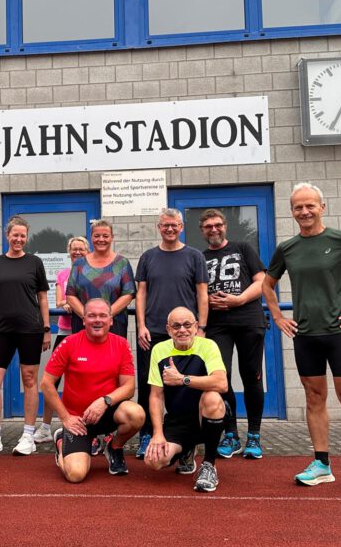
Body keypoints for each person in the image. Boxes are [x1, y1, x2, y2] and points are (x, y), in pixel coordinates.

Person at [262, 182, 341, 494]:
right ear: (292, 212)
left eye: (310, 206)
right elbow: (267, 285)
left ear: (322, 207)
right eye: (298, 207)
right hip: (305, 335)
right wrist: (278, 317)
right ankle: (322, 464)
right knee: (314, 398)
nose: (304, 212)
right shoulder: (287, 248)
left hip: (339, 332)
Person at [41, 299, 145, 483]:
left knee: (136, 414)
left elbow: (129, 387)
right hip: (78, 420)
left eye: (103, 316)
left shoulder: (121, 344)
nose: (98, 320)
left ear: (111, 320)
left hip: (107, 413)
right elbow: (46, 383)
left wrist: (104, 401)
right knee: (75, 475)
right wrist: (65, 418)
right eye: (92, 316)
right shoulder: (69, 343)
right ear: (83, 320)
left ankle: (114, 447)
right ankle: (61, 442)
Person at [134, 208, 209, 458]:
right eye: (165, 225)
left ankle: (187, 437)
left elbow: (202, 294)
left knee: (186, 385)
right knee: (149, 385)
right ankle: (147, 433)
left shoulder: (194, 256)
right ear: (159, 227)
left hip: (187, 334)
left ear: (181, 227)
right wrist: (141, 326)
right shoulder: (148, 257)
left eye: (174, 225)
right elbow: (141, 293)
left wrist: (201, 327)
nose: (169, 229)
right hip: (153, 332)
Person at [199, 209, 267, 460]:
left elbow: (262, 282)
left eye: (217, 225)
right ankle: (230, 433)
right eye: (208, 226)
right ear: (202, 231)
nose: (213, 229)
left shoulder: (243, 248)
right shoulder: (199, 257)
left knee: (251, 377)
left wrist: (238, 300)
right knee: (221, 377)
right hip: (217, 325)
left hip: (249, 320)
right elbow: (195, 291)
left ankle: (254, 435)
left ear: (225, 226)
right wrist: (206, 300)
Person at [0, 216, 51, 457]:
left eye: (23, 236)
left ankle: (28, 435)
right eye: (15, 235)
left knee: (30, 379)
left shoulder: (34, 262)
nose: (19, 239)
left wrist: (45, 329)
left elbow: (42, 297)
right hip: (1, 329)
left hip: (30, 329)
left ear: (26, 237)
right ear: (7, 236)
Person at [144, 307, 228, 492]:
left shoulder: (208, 346)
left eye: (187, 325)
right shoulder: (159, 350)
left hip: (203, 416)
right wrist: (157, 433)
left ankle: (208, 465)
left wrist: (182, 379)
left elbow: (222, 384)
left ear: (196, 327)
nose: (182, 330)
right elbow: (156, 396)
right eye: (176, 326)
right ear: (168, 329)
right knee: (153, 461)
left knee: (213, 398)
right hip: (177, 420)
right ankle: (186, 449)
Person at [34, 235, 89, 445]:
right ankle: (46, 427)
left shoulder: (92, 273)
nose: (77, 252)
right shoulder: (63, 274)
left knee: (84, 381)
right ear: (69, 251)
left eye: (81, 249)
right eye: (74, 249)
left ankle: (87, 425)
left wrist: (72, 304)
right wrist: (67, 303)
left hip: (85, 335)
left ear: (87, 250)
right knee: (52, 380)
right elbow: (59, 301)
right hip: (66, 333)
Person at [66, 219, 135, 339]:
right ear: (91, 238)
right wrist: (88, 317)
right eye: (97, 236)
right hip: (83, 326)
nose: (101, 239)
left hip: (114, 325)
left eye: (105, 236)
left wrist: (105, 316)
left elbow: (128, 294)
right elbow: (70, 295)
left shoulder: (122, 263)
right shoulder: (79, 264)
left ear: (112, 237)